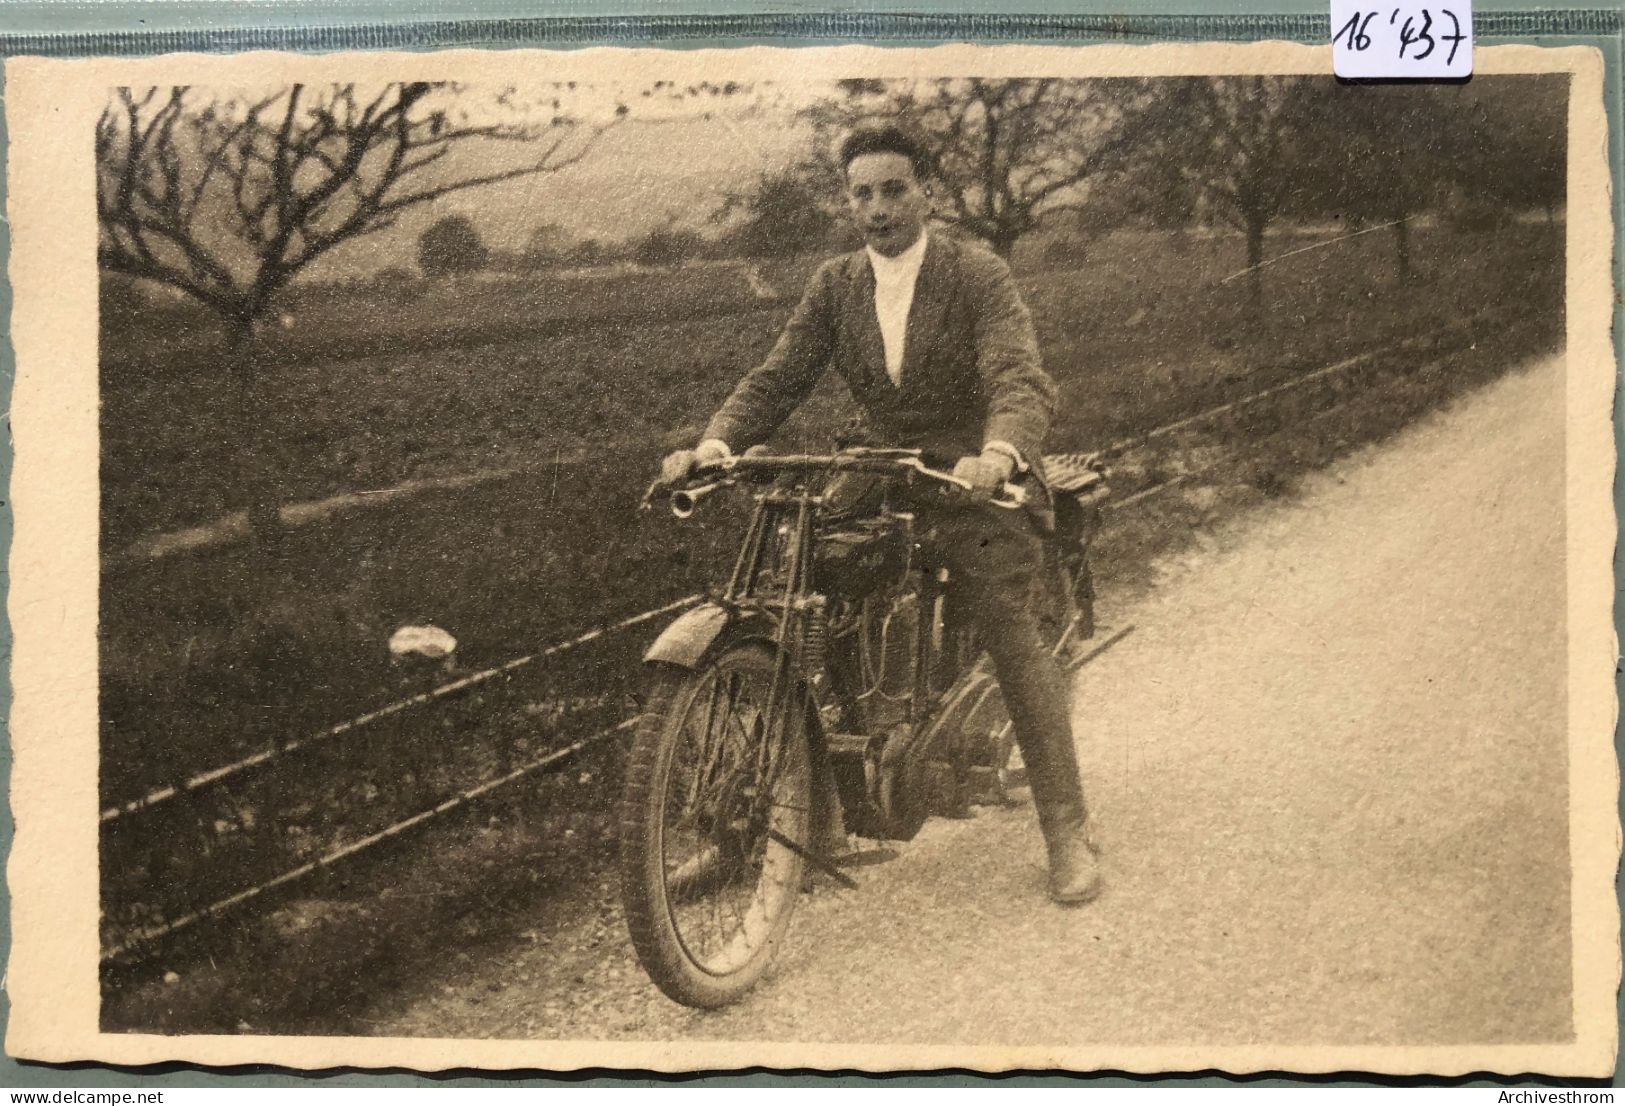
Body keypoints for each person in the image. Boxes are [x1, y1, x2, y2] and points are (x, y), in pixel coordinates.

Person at [659, 125, 1101, 905]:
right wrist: (715, 445)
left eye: (893, 189)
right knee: (790, 596)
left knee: (1007, 627)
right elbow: (778, 376)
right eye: (860, 192)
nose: (876, 208)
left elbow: (1015, 374)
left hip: (969, 470)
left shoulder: (974, 273)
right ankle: (761, 826)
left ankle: (1065, 829)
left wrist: (997, 454)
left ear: (925, 192)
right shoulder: (835, 283)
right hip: (880, 464)